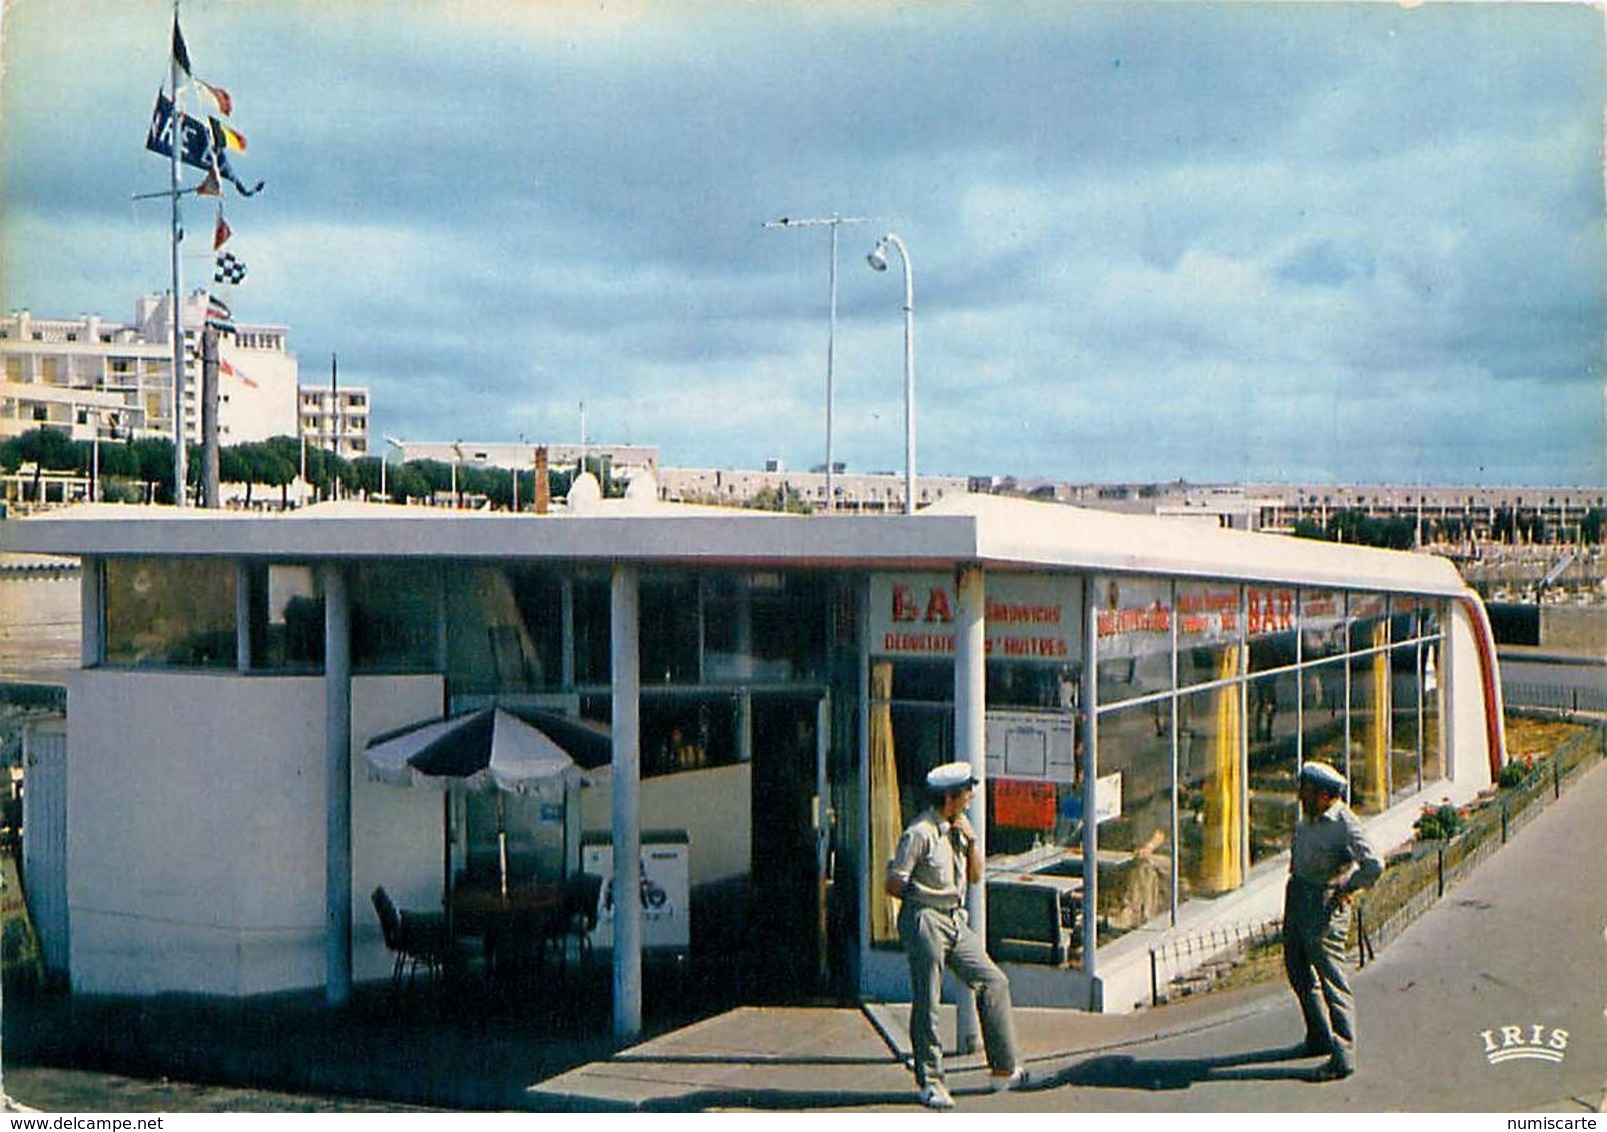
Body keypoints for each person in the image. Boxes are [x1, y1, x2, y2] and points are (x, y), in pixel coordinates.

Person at [886, 761, 1027, 1109]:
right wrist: (919, 905)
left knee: (993, 980)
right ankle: (931, 1082)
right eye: (966, 791)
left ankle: (1004, 1068)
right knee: (929, 1000)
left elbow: (976, 877)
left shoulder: (959, 830)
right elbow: (893, 883)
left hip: (954, 917)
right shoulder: (919, 833)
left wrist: (973, 840)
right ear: (949, 797)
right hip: (925, 917)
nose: (971, 797)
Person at [1284, 760, 1385, 1082]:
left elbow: (1374, 864)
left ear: (1326, 795)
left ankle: (1343, 1057)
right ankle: (1318, 1036)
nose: (1301, 795)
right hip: (1298, 896)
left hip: (1324, 905)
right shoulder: (1310, 817)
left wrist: (1348, 886)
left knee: (1332, 981)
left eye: (1307, 791)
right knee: (1297, 970)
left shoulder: (1344, 822)